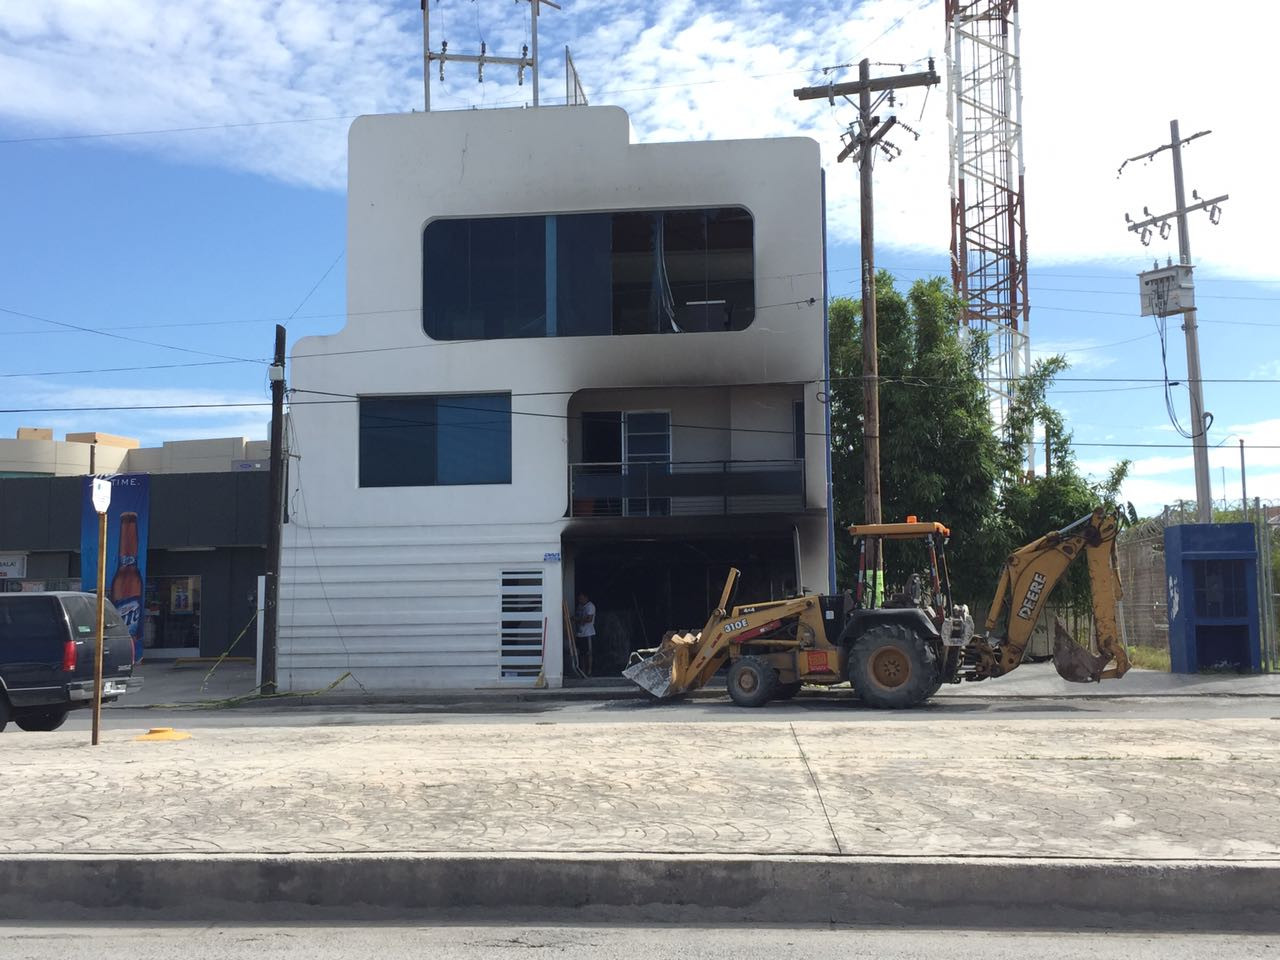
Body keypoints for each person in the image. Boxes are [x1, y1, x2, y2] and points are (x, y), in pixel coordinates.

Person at [574, 591, 596, 676]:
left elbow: (589, 619)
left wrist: (577, 619)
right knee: (581, 653)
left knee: (589, 653)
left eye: (582, 598)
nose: (580, 600)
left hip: (588, 633)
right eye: (579, 599)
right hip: (580, 633)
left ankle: (589, 670)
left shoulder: (590, 606)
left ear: (586, 598)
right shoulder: (580, 606)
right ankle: (582, 670)